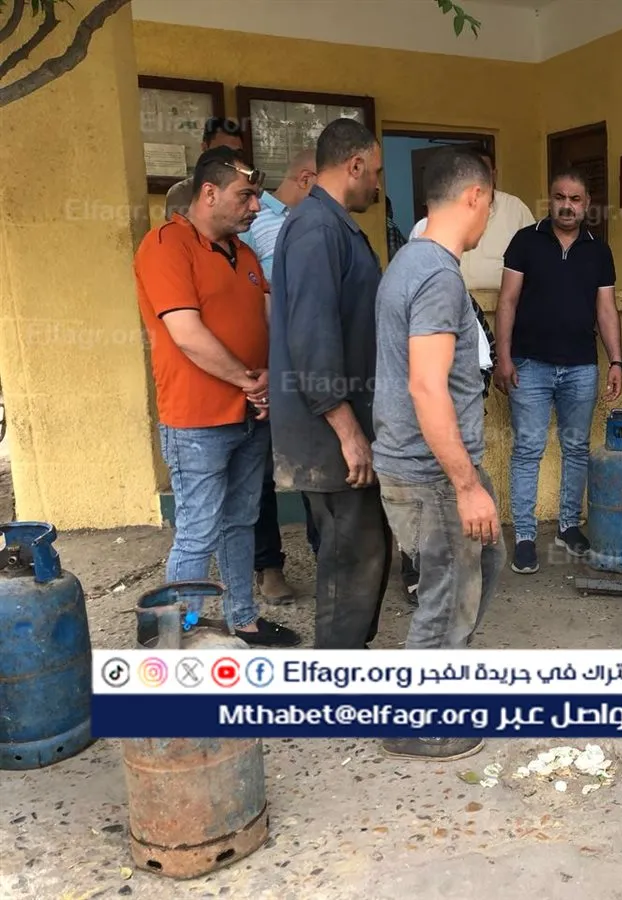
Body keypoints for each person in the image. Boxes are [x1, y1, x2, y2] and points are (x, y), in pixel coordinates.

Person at [133, 146, 300, 648]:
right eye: (245, 196)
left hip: (250, 414)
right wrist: (250, 382)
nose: (256, 206)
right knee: (198, 529)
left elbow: (267, 319)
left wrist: (270, 376)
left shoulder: (243, 253)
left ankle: (242, 620)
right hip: (196, 420)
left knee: (241, 522)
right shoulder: (165, 245)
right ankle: (175, 637)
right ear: (209, 193)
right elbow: (186, 333)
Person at [372, 146, 502, 761]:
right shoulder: (438, 276)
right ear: (474, 197)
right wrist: (466, 485)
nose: (488, 218)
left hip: (426, 466)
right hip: (431, 473)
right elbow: (427, 386)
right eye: (489, 205)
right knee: (446, 596)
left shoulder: (410, 260)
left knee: (481, 563)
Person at [268, 118, 392, 650]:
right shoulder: (316, 229)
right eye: (376, 172)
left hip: (341, 426)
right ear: (354, 165)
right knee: (350, 558)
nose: (378, 185)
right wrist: (348, 432)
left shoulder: (331, 225)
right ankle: (337, 674)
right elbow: (312, 339)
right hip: (329, 436)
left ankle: (350, 658)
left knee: (363, 550)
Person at [493, 168, 622, 574]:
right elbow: (507, 301)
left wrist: (616, 360)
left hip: (581, 366)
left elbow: (606, 310)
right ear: (550, 200)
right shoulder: (525, 241)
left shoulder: (598, 251)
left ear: (587, 204)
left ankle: (568, 526)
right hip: (529, 365)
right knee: (528, 449)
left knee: (576, 448)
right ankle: (525, 536)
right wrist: (503, 357)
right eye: (560, 197)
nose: (567, 206)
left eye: (575, 199)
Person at [242, 148, 318, 606]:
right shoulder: (253, 222)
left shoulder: (313, 223)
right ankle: (268, 566)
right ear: (306, 179)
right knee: (261, 472)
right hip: (264, 366)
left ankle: (325, 553)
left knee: (313, 464)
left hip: (306, 364)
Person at [409, 149, 534, 291]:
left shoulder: (515, 208)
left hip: (501, 298)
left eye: (483, 173)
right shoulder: (424, 228)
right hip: (455, 297)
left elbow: (534, 257)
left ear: (494, 175)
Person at [164, 118, 244, 219]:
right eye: (223, 152)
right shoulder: (182, 193)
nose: (231, 159)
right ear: (205, 148)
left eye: (237, 153)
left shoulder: (249, 191)